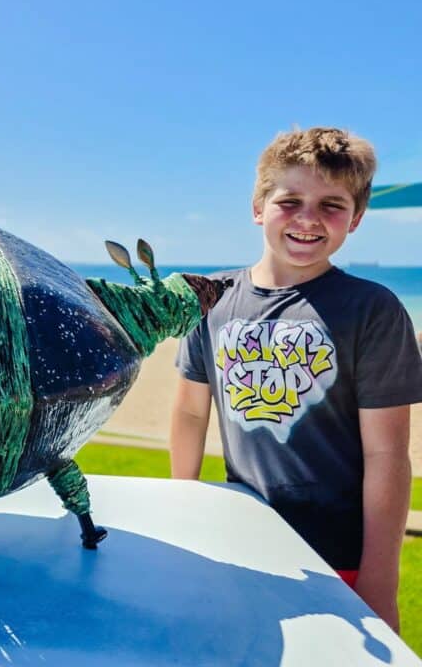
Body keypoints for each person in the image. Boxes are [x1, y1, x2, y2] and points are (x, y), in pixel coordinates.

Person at [169, 127, 422, 633]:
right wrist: (183, 513)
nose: (308, 219)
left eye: (332, 204)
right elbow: (191, 412)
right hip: (240, 543)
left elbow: (387, 454)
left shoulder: (373, 310)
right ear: (259, 206)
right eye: (290, 201)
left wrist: (378, 579)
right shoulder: (209, 296)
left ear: (356, 218)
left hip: (338, 553)